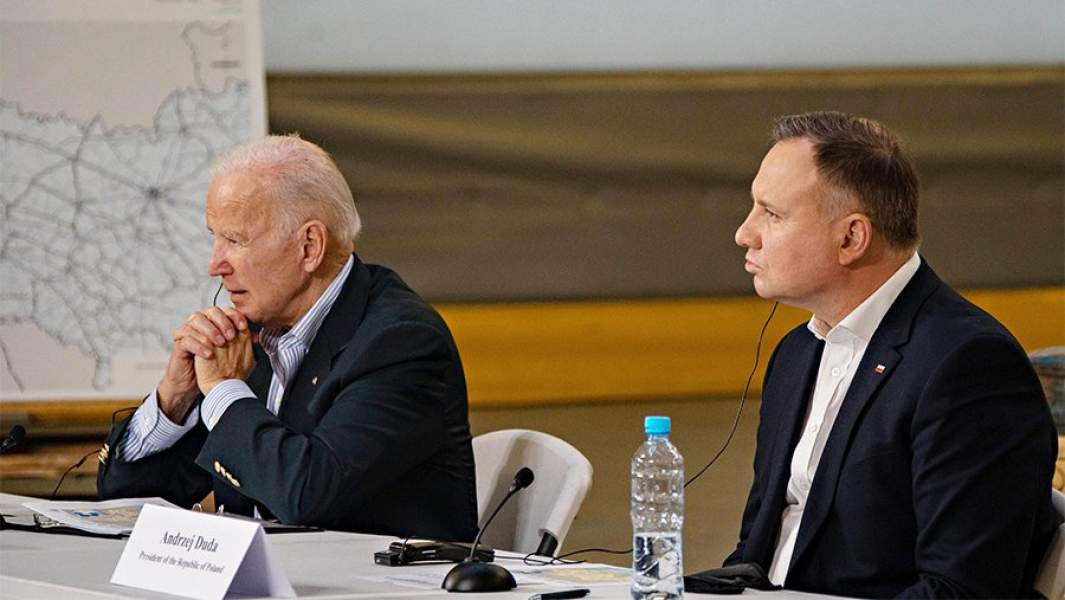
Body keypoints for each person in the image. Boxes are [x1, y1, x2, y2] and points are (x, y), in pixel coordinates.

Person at [726, 111, 1060, 597]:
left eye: (771, 214)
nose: (745, 233)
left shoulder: (970, 365)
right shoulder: (796, 353)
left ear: (851, 238)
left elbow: (961, 590)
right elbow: (753, 555)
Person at [97, 135, 478, 542]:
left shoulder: (400, 343)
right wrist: (175, 400)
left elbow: (307, 494)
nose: (215, 265)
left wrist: (223, 390)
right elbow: (126, 500)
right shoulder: (250, 337)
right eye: (214, 237)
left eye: (235, 240)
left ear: (309, 247)